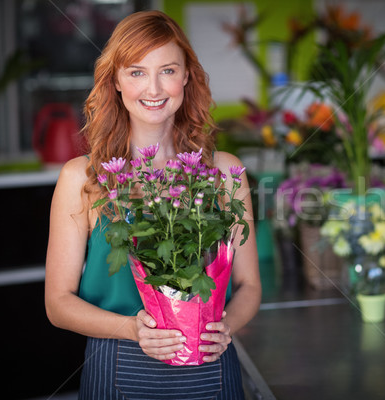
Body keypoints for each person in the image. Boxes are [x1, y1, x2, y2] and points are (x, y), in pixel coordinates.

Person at [45, 10, 261, 399]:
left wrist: (226, 326)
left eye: (168, 70)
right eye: (137, 71)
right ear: (115, 81)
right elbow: (57, 303)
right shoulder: (83, 179)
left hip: (211, 365)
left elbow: (249, 286)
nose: (154, 87)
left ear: (186, 76)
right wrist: (132, 329)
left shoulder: (225, 172)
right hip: (116, 365)